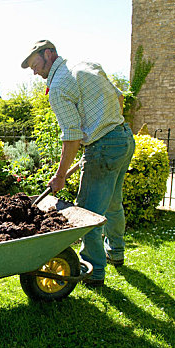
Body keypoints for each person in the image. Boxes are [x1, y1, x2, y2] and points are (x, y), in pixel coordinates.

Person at [21, 40, 135, 287]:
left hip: (104, 147)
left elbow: (71, 136)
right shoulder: (85, 65)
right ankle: (115, 250)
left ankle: (94, 272)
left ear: (48, 54)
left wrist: (60, 176)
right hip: (124, 138)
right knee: (113, 202)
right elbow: (119, 98)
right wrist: (105, 131)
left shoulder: (59, 86)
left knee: (88, 213)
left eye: (35, 64)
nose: (35, 72)